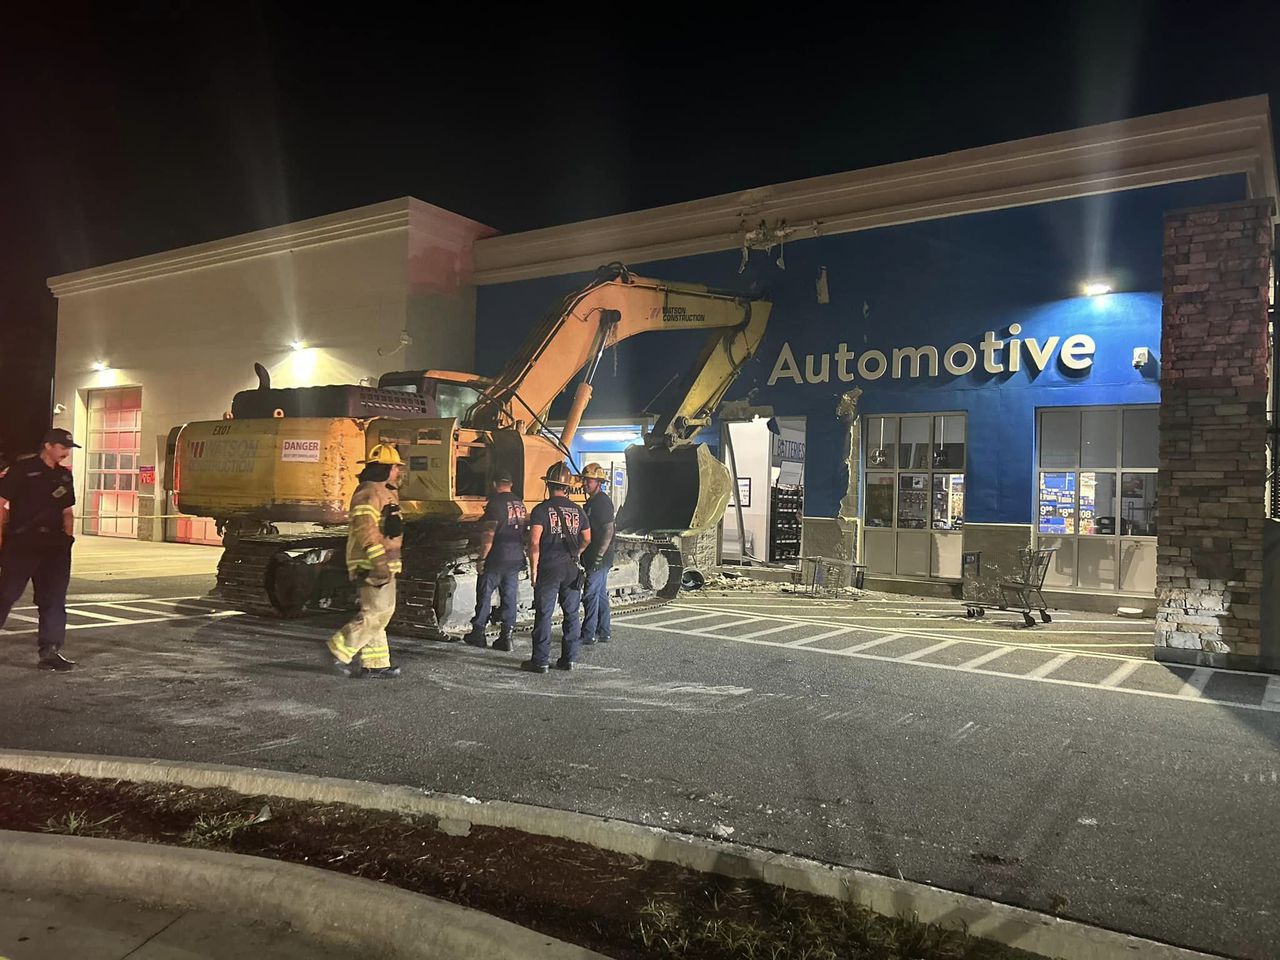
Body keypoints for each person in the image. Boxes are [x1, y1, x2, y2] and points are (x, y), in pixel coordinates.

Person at [0, 428, 80, 671]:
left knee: (54, 600)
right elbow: (1, 502)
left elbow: (67, 511)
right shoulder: (23, 470)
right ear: (48, 445)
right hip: (23, 543)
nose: (66, 452)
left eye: (68, 448)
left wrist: (68, 539)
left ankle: (50, 652)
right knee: (6, 595)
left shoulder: (65, 476)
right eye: (62, 447)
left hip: (55, 548)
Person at [325, 444, 405, 679]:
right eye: (396, 467)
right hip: (371, 562)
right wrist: (378, 561)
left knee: (381, 612)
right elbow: (366, 531)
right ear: (388, 468)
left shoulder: (384, 491)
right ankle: (338, 650)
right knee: (375, 613)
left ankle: (376, 663)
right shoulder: (368, 493)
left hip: (384, 562)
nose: (399, 472)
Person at [523, 462, 590, 673]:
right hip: (571, 568)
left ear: (549, 486)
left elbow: (534, 543)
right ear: (568, 487)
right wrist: (576, 553)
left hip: (549, 568)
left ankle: (540, 661)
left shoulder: (541, 510)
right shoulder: (578, 511)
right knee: (571, 614)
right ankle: (568, 659)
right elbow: (587, 538)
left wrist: (533, 571)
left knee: (544, 615)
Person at [464, 469, 527, 652]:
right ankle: (506, 637)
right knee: (509, 597)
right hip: (515, 557)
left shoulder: (495, 504)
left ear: (494, 484)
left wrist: (482, 558)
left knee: (484, 594)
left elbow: (489, 534)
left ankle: (478, 633)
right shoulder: (520, 504)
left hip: (497, 557)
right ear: (511, 484)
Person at [578, 462, 615, 646]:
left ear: (598, 482)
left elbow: (608, 530)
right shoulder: (591, 502)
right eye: (585, 480)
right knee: (599, 594)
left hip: (600, 556)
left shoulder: (603, 502)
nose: (585, 484)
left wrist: (599, 556)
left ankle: (588, 633)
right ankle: (604, 631)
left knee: (590, 594)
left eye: (589, 481)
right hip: (594, 555)